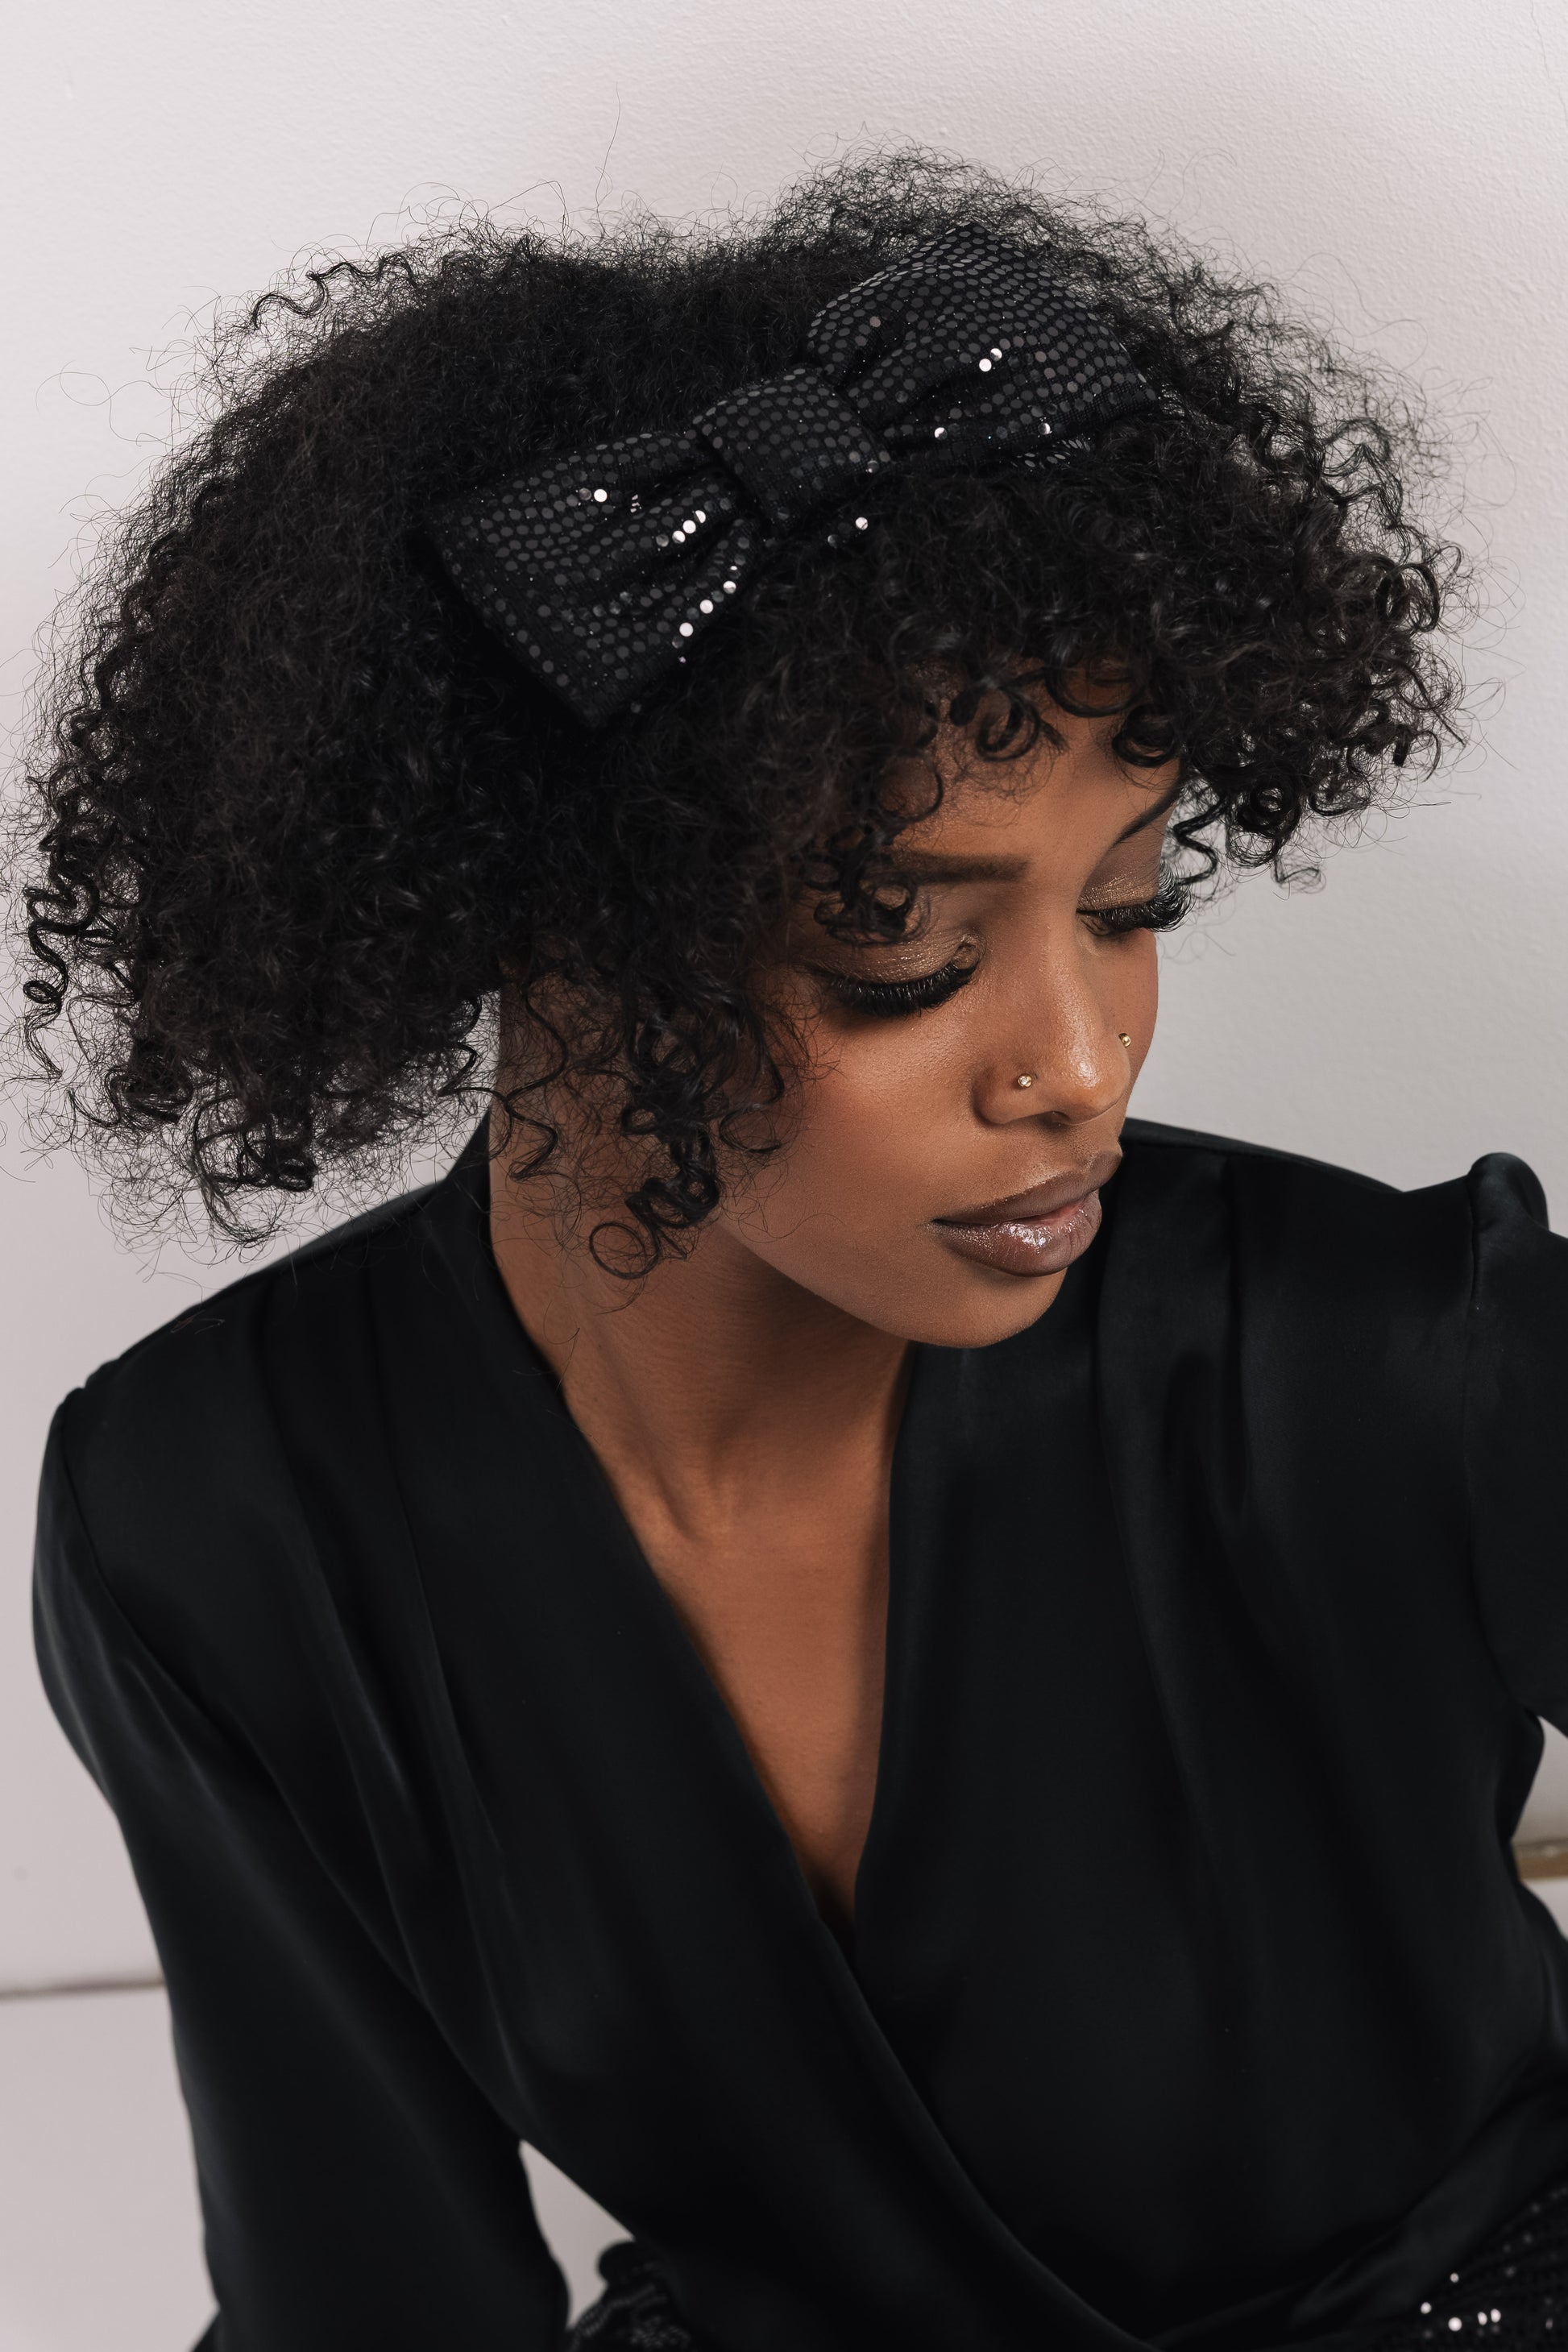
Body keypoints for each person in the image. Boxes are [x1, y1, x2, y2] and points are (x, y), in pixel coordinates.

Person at [18, 151, 1568, 2352]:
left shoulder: (1394, 1353)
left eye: (1130, 902)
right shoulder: (214, 1517)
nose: (1080, 1064)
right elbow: (368, 2290)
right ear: (551, 915)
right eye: (900, 948)